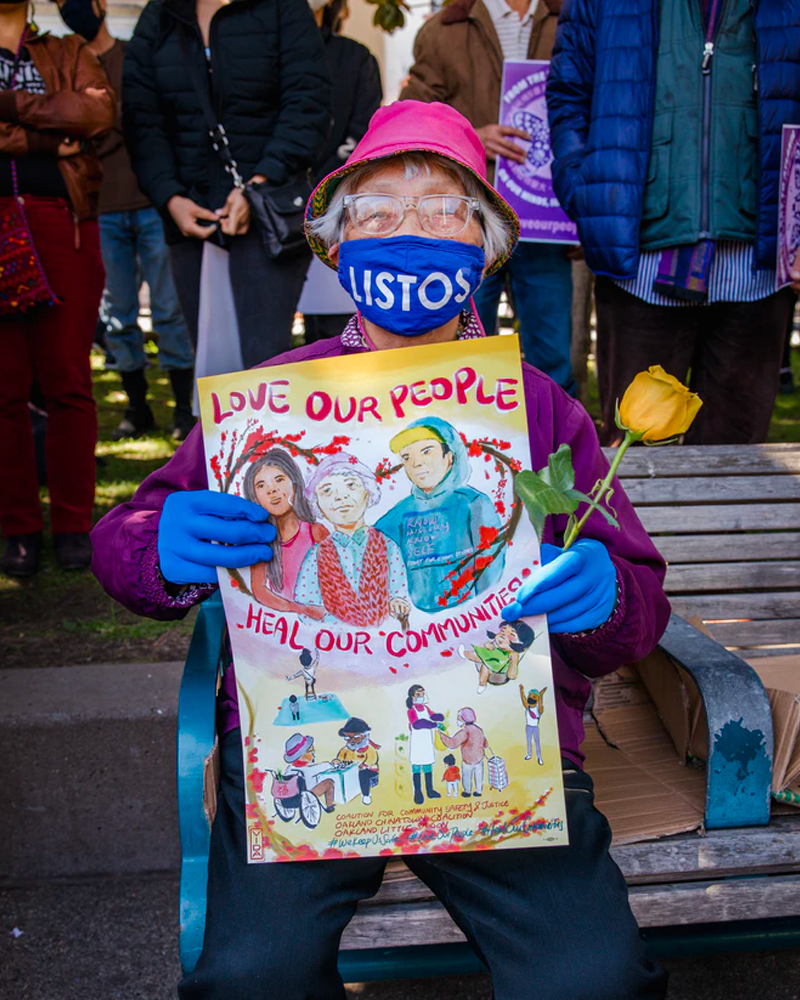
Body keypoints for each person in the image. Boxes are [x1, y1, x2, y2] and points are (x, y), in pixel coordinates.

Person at [91, 101, 671, 1000]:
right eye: (377, 209)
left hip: (502, 761)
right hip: (305, 753)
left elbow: (633, 605)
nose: (408, 228)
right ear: (336, 241)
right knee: (251, 979)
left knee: (591, 978)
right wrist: (158, 551)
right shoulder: (271, 404)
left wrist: (608, 599)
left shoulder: (540, 406)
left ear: (484, 242)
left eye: (442, 205)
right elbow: (125, 540)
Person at [547, 0, 800, 445]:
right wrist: (586, 191)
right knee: (635, 462)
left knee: (734, 468)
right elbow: (569, 91)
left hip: (757, 272)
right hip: (639, 266)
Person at [122, 0, 331, 369]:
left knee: (263, 363)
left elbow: (308, 102)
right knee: (210, 366)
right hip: (189, 215)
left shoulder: (284, 9)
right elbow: (142, 119)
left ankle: (274, 431)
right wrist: (170, 197)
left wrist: (259, 183)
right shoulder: (161, 15)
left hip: (267, 211)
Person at [400, 0, 577, 394]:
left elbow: (589, 109)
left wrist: (581, 211)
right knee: (460, 357)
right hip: (465, 222)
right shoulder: (445, 26)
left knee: (553, 362)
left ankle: (555, 450)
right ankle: (464, 448)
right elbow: (412, 117)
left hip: (548, 222)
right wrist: (472, 137)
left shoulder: (568, 17)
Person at [0, 0, 113, 578]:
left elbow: (95, 116)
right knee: (5, 388)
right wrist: (47, 136)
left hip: (63, 224)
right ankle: (17, 526)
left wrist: (12, 109)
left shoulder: (66, 49)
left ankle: (73, 523)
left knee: (68, 381)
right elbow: (67, 122)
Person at [56, 0, 195, 443]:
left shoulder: (133, 56)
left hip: (148, 202)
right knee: (118, 314)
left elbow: (133, 120)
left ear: (98, 5)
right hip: (99, 209)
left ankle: (182, 410)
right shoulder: (65, 65)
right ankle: (137, 408)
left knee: (170, 310)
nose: (70, 8)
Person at [299, 0, 382, 344]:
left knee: (337, 328)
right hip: (267, 207)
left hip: (336, 208)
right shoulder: (257, 60)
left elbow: (363, 132)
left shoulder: (356, 58)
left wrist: (323, 185)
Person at [376, 415, 503, 613]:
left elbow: (490, 568)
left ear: (450, 456)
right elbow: (371, 548)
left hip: (469, 614)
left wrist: (486, 614)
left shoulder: (474, 503)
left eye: (426, 451)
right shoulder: (401, 513)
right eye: (406, 457)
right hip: (418, 622)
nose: (416, 463)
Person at [294, 453, 411, 628]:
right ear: (317, 504)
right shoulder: (316, 555)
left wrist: (397, 601)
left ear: (368, 492)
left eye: (351, 485)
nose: (340, 497)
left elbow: (398, 587)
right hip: (335, 639)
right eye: (327, 491)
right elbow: (306, 604)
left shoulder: (387, 545)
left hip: (384, 636)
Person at [242, 449, 327, 619]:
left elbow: (337, 579)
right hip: (280, 628)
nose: (271, 490)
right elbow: (259, 590)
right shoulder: (261, 542)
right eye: (261, 485)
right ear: (255, 497)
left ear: (294, 484)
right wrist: (299, 609)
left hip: (323, 626)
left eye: (279, 480)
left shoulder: (315, 532)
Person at [406, 684, 444, 804]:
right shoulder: (411, 710)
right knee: (417, 767)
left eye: (422, 694)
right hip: (418, 742)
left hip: (427, 742)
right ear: (412, 697)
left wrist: (439, 717)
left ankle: (430, 790)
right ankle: (418, 792)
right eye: (418, 694)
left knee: (428, 766)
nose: (421, 696)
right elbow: (417, 724)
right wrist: (433, 724)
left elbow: (432, 715)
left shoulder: (426, 708)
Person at [439, 706, 487, 797]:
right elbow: (485, 743)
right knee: (479, 776)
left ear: (464, 719)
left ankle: (467, 791)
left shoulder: (465, 731)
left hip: (468, 760)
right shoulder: (478, 729)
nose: (457, 720)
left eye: (459, 718)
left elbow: (453, 743)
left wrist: (442, 735)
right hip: (479, 759)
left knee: (467, 776)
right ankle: (479, 791)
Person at [333, 717, 380, 806]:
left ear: (364, 736)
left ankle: (366, 794)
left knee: (363, 774)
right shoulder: (346, 750)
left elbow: (372, 760)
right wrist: (337, 761)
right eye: (347, 738)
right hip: (351, 773)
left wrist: (364, 765)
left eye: (355, 737)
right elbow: (340, 758)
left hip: (369, 773)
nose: (352, 741)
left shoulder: (368, 749)